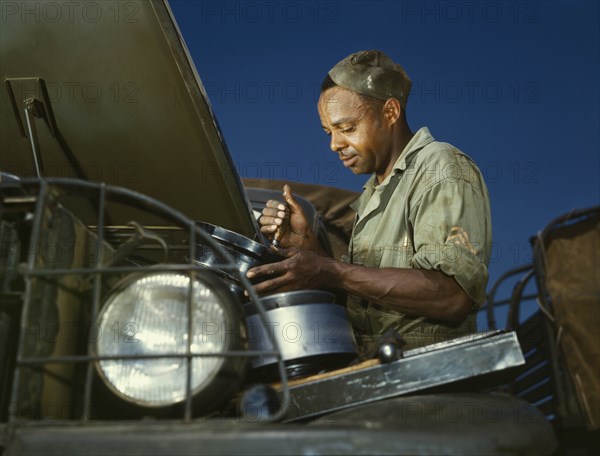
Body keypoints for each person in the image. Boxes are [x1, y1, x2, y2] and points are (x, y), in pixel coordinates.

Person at [246, 50, 492, 350]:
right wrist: (311, 252)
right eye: (329, 132)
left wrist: (329, 270)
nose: (335, 144)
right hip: (378, 370)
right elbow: (364, 299)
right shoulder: (375, 192)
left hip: (429, 377)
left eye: (347, 128)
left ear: (390, 112)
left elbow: (452, 296)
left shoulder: (439, 166)